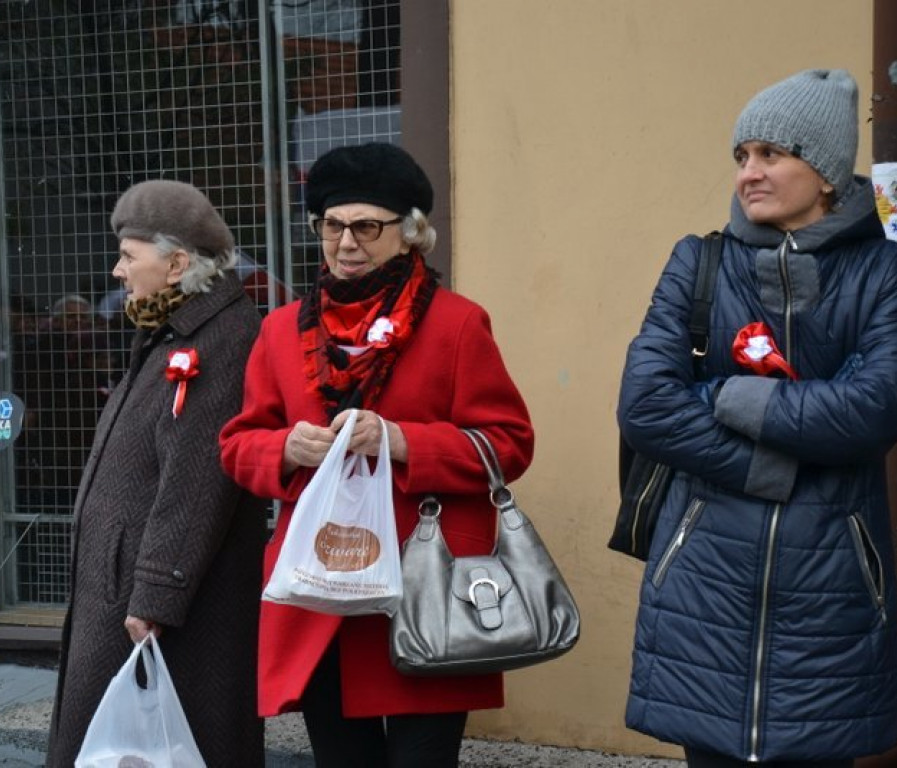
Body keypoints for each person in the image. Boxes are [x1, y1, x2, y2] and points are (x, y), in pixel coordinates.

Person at [617, 69, 897, 767]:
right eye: (741, 156)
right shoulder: (698, 262)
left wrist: (732, 396)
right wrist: (769, 461)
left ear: (825, 173)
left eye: (771, 154)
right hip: (703, 581)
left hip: (833, 587)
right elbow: (647, 407)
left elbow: (875, 407)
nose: (748, 173)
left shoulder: (883, 273)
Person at [219, 142, 534, 768]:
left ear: (410, 232)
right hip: (320, 587)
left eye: (367, 226)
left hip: (425, 589)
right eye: (332, 225)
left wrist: (400, 440)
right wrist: (284, 448)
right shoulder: (280, 329)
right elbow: (238, 443)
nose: (346, 242)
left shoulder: (457, 324)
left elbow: (509, 443)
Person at [46, 180, 267, 766]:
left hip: (156, 601)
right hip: (130, 585)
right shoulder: (169, 328)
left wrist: (157, 595)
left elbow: (196, 483)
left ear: (176, 263)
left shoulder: (222, 337)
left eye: (128, 256)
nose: (117, 272)